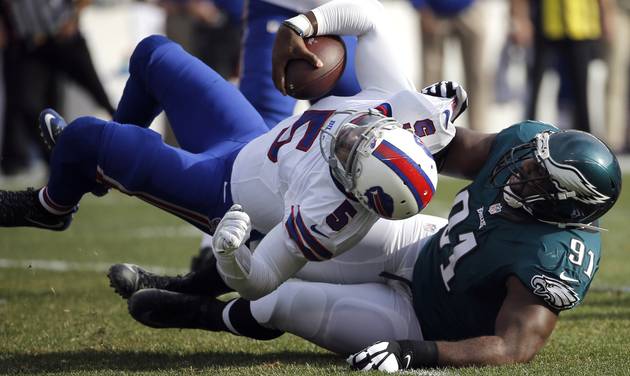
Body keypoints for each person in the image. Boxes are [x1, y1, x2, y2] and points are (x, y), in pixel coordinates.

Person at [0, 0, 466, 301]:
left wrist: (229, 253)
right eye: (360, 136)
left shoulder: (331, 220)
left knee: (83, 136)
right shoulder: (399, 105)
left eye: (348, 161)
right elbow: (370, 16)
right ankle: (93, 170)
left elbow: (261, 278)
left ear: (358, 197)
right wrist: (304, 23)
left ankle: (51, 205)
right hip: (248, 141)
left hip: (221, 191)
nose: (345, 139)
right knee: (152, 54)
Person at [107, 116, 622, 370]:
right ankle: (183, 284)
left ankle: (197, 314)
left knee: (276, 301)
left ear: (567, 204)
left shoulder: (556, 257)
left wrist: (412, 352)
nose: (524, 170)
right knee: (293, 239)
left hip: (422, 320)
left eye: (538, 178)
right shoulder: (524, 147)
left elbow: (514, 347)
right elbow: (454, 148)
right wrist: (401, 128)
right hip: (422, 245)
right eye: (533, 162)